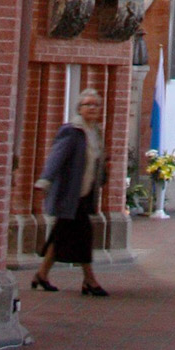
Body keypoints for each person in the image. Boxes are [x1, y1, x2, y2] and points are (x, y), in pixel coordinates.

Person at [31, 83, 109, 295]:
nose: (92, 108)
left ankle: (42, 274)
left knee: (61, 235)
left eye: (96, 105)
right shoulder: (71, 131)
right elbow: (57, 156)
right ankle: (90, 280)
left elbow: (97, 160)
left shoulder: (95, 132)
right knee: (82, 236)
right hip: (70, 194)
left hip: (85, 194)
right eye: (87, 105)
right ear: (79, 108)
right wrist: (45, 180)